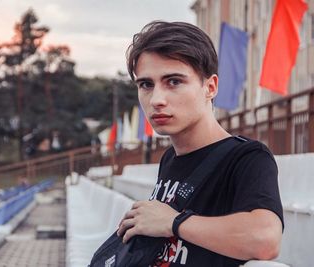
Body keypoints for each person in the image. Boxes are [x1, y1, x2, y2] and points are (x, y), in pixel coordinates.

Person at [117, 21, 284, 266]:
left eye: (173, 81)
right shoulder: (170, 157)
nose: (156, 100)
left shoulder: (247, 157)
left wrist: (174, 222)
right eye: (146, 85)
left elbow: (266, 239)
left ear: (210, 87)